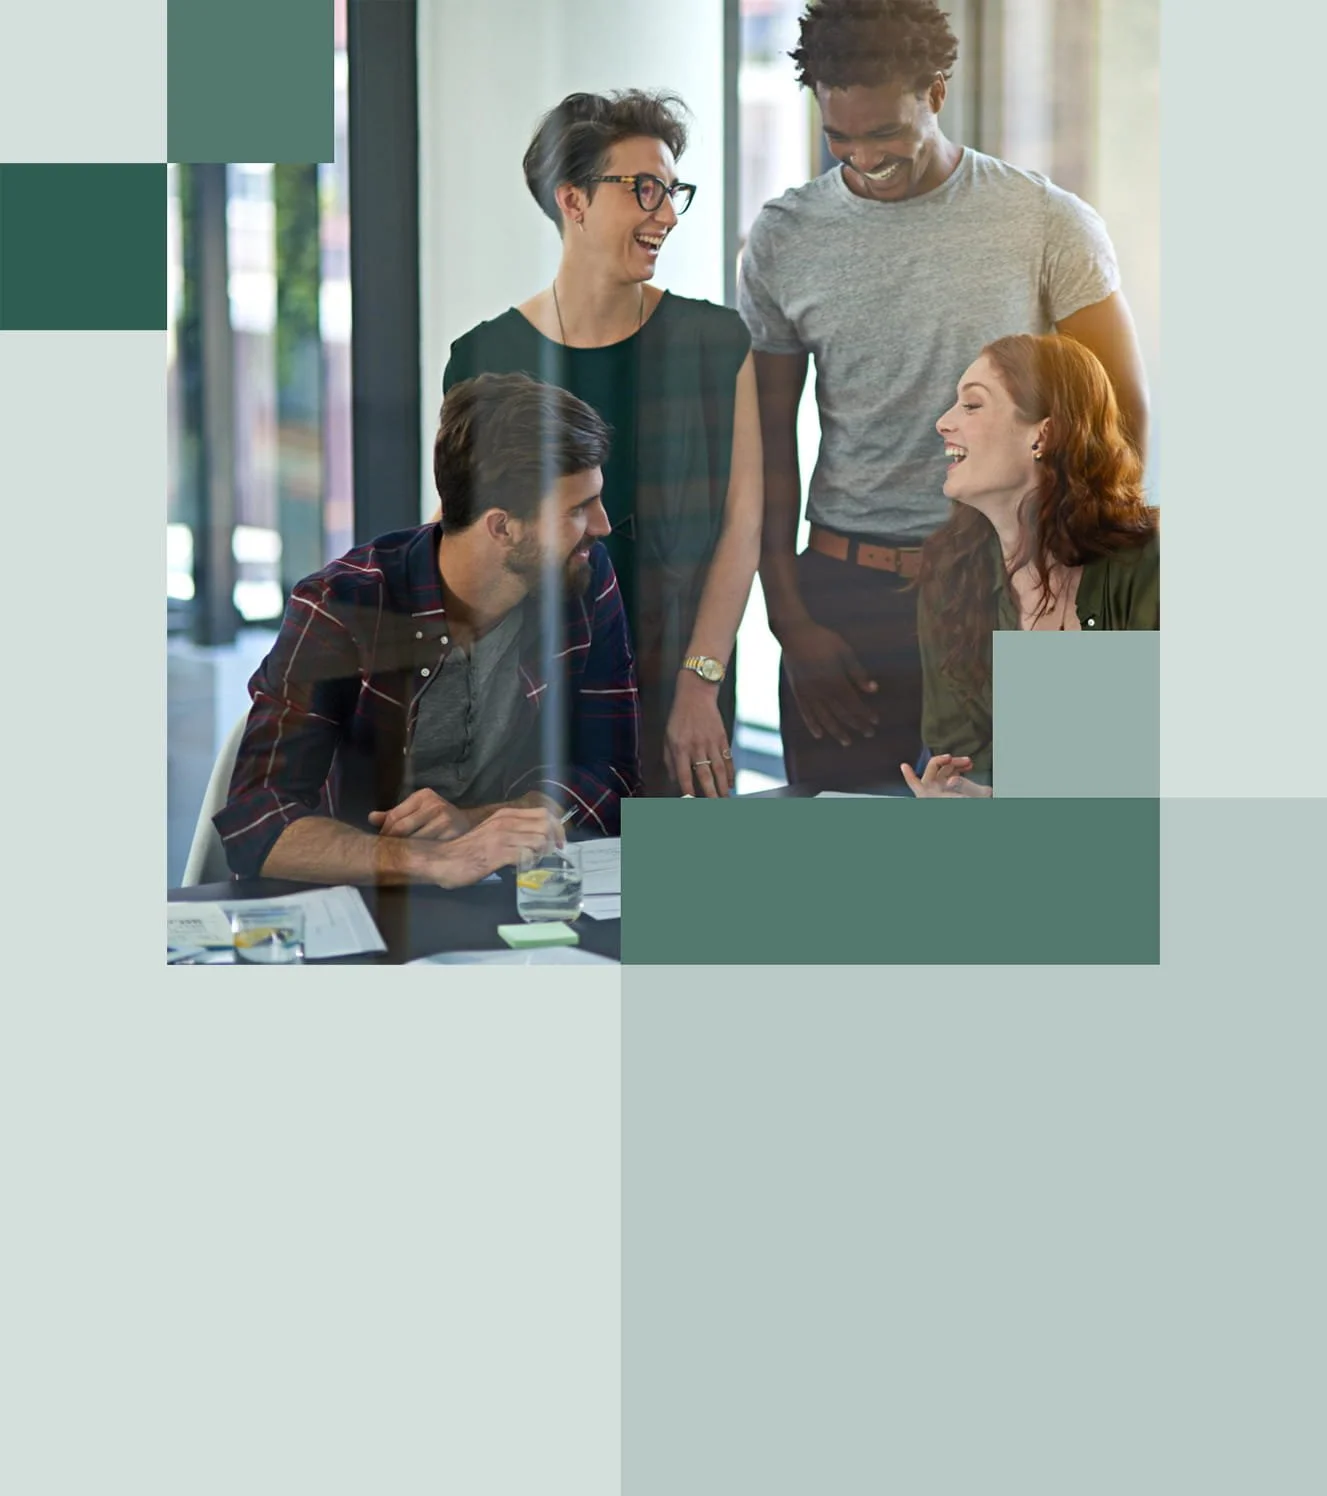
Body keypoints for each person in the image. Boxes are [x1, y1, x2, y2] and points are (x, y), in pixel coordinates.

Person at [737, 0, 1150, 789]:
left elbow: (1119, 418)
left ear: (934, 92)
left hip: (1016, 579)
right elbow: (765, 448)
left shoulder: (1042, 221)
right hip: (848, 598)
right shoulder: (785, 238)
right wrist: (790, 621)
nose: (863, 160)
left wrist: (1068, 579)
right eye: (840, 138)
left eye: (884, 135)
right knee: (855, 868)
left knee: (1058, 845)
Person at [443, 89, 762, 799]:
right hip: (529, 684)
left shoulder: (716, 343)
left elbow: (743, 526)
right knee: (535, 896)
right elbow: (459, 541)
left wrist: (699, 686)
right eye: (644, 189)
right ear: (573, 201)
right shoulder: (482, 357)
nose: (668, 214)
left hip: (682, 673)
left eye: (673, 190)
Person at [215, 373, 642, 887]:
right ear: (502, 526)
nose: (602, 525)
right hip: (360, 913)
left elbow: (614, 776)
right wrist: (442, 861)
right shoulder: (342, 605)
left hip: (515, 905)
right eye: (577, 509)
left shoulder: (583, 580)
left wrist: (479, 823)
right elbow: (257, 823)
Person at [901, 333, 1159, 798]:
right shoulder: (952, 576)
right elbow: (967, 760)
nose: (942, 423)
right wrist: (970, 798)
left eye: (972, 406)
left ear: (1043, 434)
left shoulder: (1151, 565)